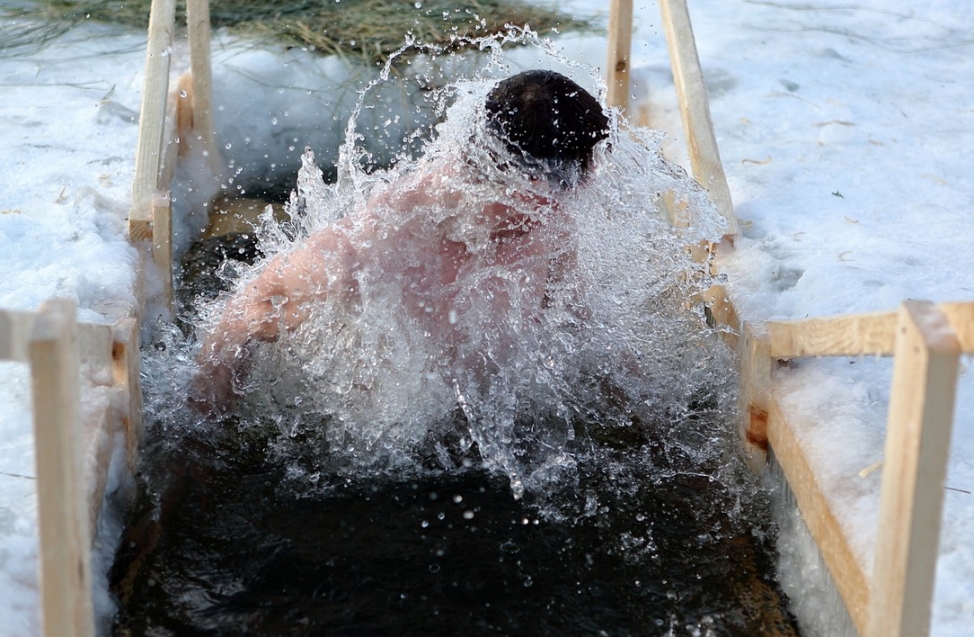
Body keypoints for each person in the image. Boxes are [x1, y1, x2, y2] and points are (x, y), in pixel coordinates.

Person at [191, 70, 610, 413]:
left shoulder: (546, 224)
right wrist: (202, 445)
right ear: (528, 182)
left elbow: (581, 336)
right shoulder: (377, 243)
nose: (586, 186)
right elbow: (245, 312)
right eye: (575, 178)